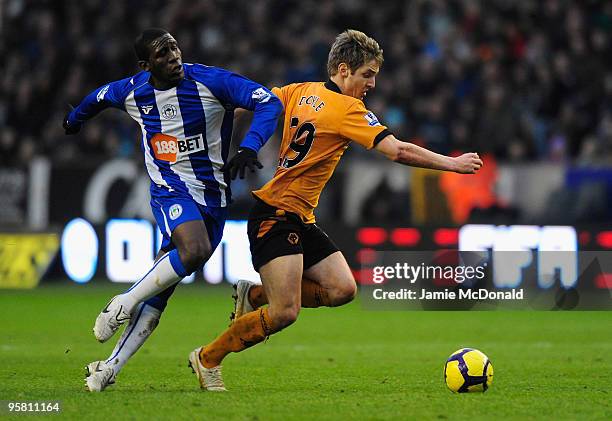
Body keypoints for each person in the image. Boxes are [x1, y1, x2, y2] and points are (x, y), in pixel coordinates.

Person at [188, 29, 483, 391]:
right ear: (344, 70)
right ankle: (207, 358)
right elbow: (398, 151)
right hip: (275, 215)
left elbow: (248, 103)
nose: (372, 83)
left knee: (343, 289)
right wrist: (452, 164)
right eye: (367, 74)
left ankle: (254, 295)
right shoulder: (348, 109)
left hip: (300, 217)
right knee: (285, 313)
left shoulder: (299, 91)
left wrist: (202, 118)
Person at [63, 28, 283, 392]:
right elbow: (98, 97)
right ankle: (121, 303)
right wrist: (75, 121)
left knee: (162, 293)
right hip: (171, 190)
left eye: (174, 47)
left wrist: (249, 147)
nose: (173, 56)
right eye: (162, 53)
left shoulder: (211, 81)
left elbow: (269, 102)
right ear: (146, 64)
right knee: (193, 251)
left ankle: (109, 368)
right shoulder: (134, 90)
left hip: (213, 198)